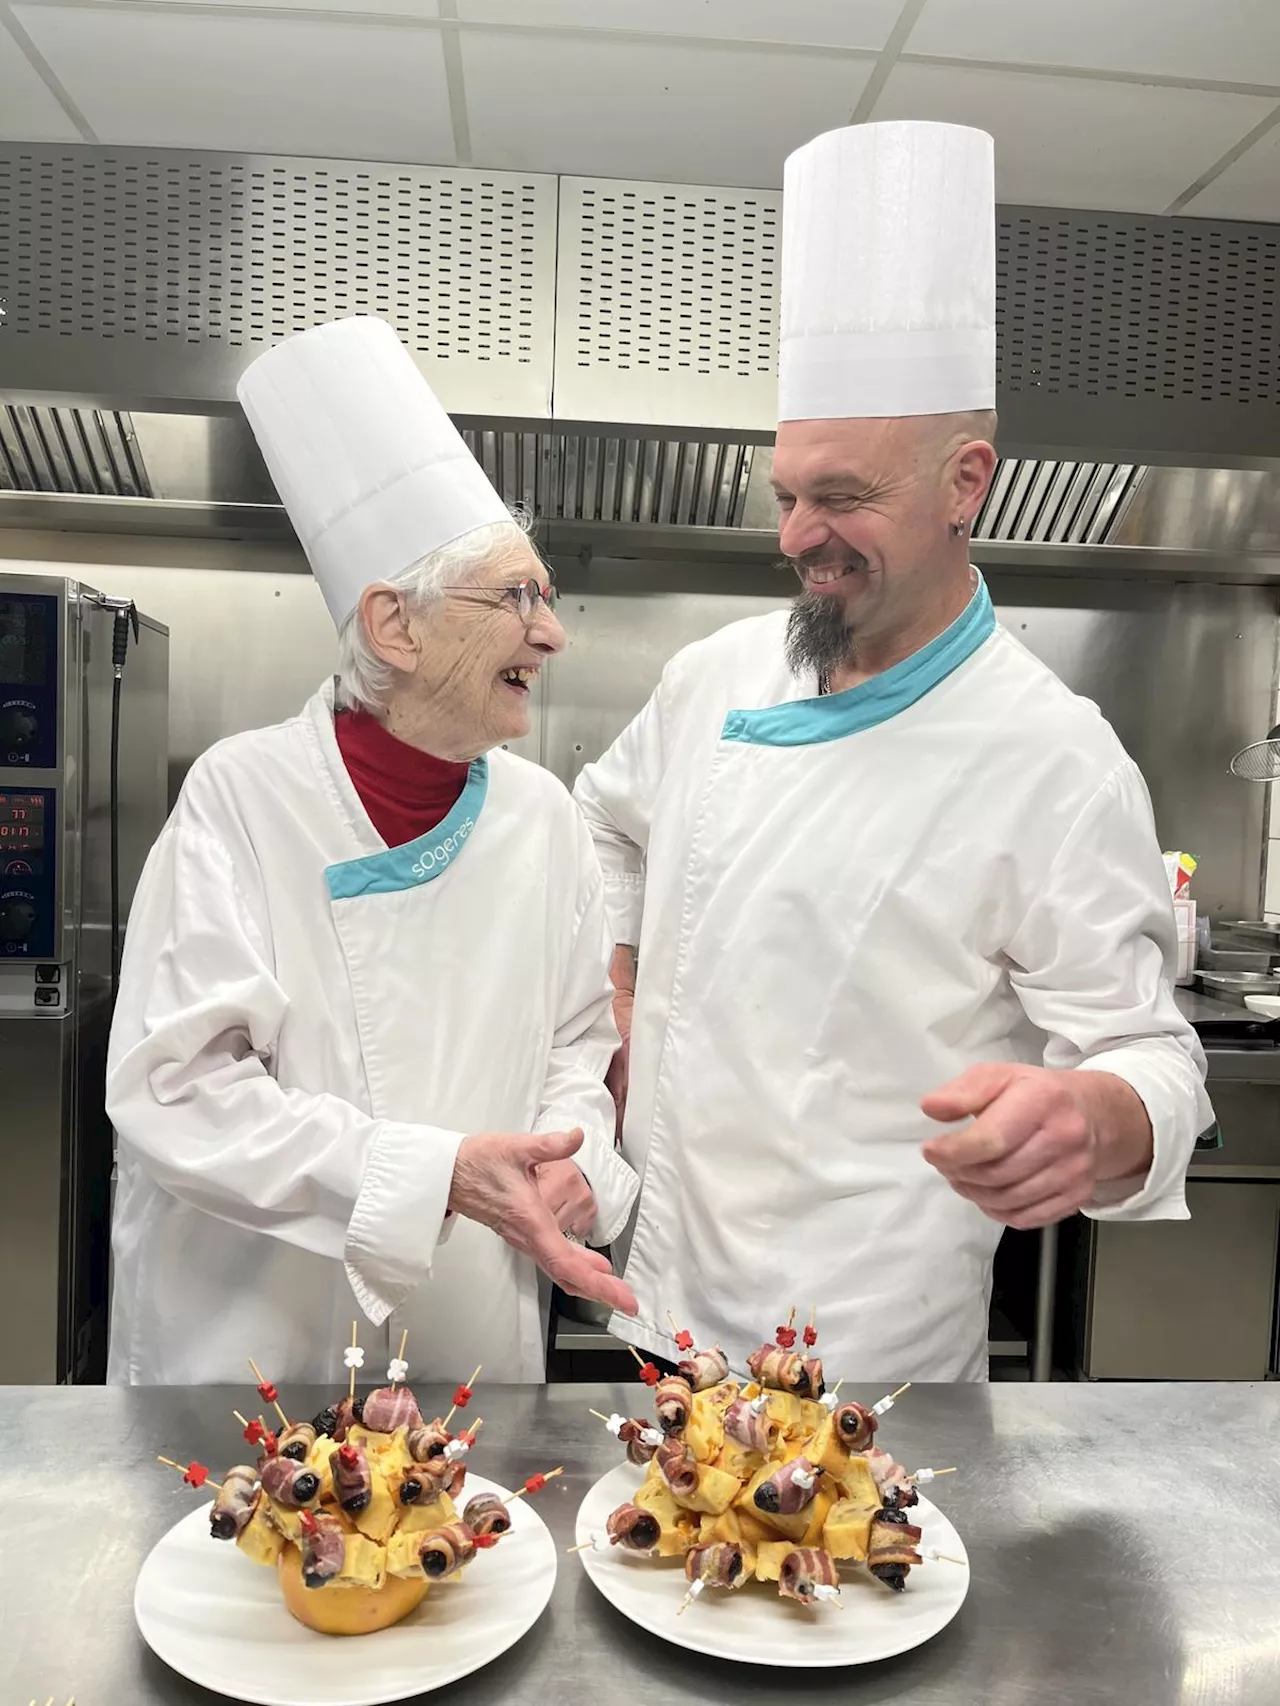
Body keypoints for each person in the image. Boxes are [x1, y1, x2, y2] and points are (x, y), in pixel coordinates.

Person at [574, 122, 1212, 1383]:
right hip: (657, 1301)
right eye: (787, 495)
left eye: (844, 497)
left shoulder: (1050, 757)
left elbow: (1153, 1054)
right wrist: (623, 989)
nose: (799, 534)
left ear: (963, 478)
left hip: (866, 1351)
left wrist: (1098, 1116)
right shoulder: (713, 676)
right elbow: (598, 819)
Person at [107, 315, 637, 1384]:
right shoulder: (243, 796)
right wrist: (433, 1171)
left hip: (467, 1340)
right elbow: (180, 1090)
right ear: (394, 625)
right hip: (245, 1347)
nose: (551, 631)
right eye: (517, 596)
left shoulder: (542, 817)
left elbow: (578, 1046)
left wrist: (573, 1162)